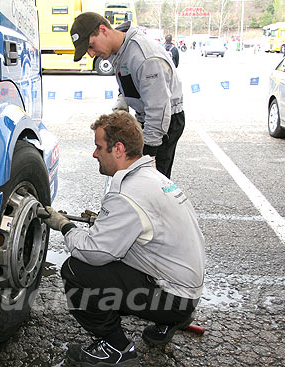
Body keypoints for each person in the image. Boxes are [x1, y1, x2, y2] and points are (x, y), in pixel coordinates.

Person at [44, 111, 205, 366]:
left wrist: (64, 226)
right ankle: (171, 321)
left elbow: (95, 252)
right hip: (186, 289)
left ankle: (116, 348)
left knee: (77, 270)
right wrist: (106, 223)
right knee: (112, 266)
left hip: (174, 296)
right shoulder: (152, 177)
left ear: (118, 149)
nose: (95, 154)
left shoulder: (126, 194)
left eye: (99, 147)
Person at [70, 12, 185, 178]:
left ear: (103, 30)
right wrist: (121, 104)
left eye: (91, 46)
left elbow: (158, 110)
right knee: (133, 176)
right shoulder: (120, 49)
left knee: (152, 180)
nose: (91, 54)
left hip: (164, 122)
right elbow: (132, 82)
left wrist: (148, 153)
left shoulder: (145, 57)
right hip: (145, 117)